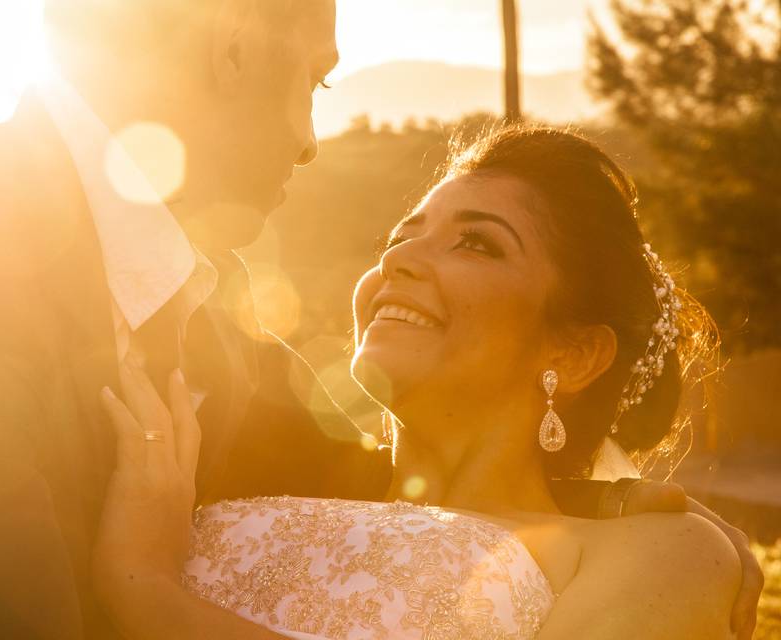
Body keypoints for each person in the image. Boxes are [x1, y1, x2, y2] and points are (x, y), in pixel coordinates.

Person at [0, 1, 760, 638]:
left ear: (579, 347)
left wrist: (607, 515)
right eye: (315, 80)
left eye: (477, 242)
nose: (312, 142)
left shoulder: (210, 336)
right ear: (231, 49)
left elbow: (404, 507)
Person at [94, 127, 751, 639]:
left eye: (477, 245)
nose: (397, 259)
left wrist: (149, 594)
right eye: (403, 236)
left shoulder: (659, 550)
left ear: (575, 353)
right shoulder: (250, 454)